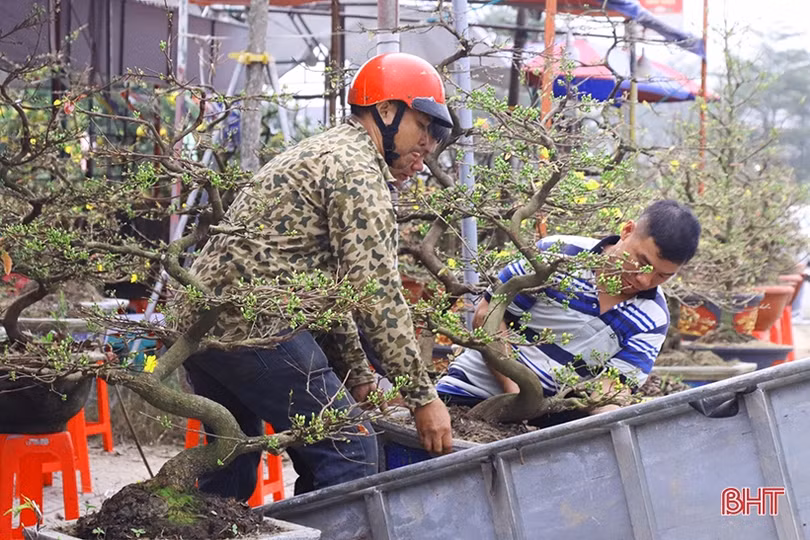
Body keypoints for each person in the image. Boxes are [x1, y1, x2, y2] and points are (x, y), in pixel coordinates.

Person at [182, 52, 454, 498]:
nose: (428, 145)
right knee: (348, 449)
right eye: (424, 126)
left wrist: (356, 373)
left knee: (231, 465)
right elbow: (374, 291)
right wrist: (422, 396)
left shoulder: (329, 151)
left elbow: (332, 288)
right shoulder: (356, 171)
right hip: (255, 326)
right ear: (386, 111)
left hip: (206, 321)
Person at [436, 200, 701, 417]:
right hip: (467, 396)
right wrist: (520, 397)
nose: (644, 279)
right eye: (642, 261)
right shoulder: (558, 255)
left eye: (662, 275)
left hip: (547, 419)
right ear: (627, 231)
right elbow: (487, 315)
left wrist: (613, 418)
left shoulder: (652, 317)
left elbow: (612, 386)